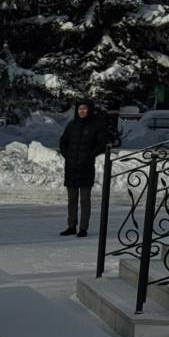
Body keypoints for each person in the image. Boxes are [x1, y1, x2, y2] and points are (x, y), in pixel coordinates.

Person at [59, 99, 108, 237]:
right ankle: (71, 225)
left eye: (84, 109)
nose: (82, 111)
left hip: (86, 167)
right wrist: (67, 155)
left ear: (89, 110)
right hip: (71, 167)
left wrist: (89, 156)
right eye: (80, 109)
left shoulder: (96, 126)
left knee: (85, 200)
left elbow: (102, 144)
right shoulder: (71, 125)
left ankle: (83, 228)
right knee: (72, 200)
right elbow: (63, 142)